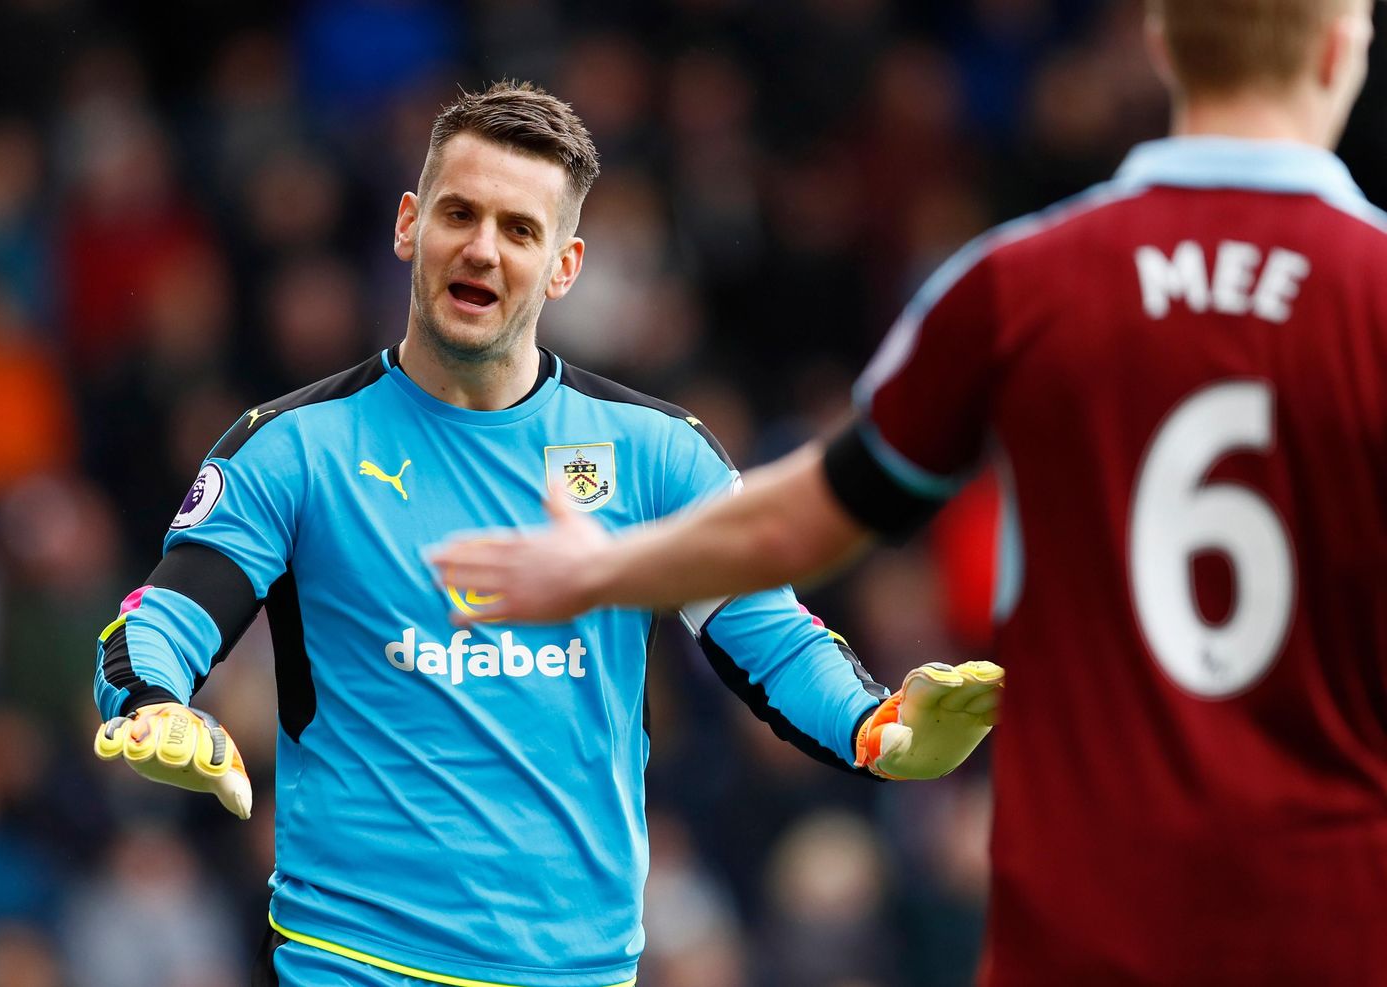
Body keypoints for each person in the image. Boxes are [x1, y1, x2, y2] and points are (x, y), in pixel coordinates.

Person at [433, 3, 1387, 984]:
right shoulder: (1375, 291)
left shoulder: (1019, 284)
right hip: (1334, 919)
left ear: (1160, 45)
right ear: (1339, 48)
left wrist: (603, 569)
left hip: (1083, 923)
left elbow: (802, 518)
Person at [89, 81, 1003, 987]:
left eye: (519, 229)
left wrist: (875, 727)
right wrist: (151, 702)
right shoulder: (294, 447)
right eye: (459, 213)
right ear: (409, 225)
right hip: (352, 962)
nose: (482, 248)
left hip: (581, 971)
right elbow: (161, 616)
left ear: (564, 266)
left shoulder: (655, 456)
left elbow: (774, 642)